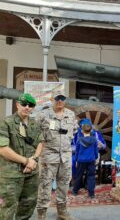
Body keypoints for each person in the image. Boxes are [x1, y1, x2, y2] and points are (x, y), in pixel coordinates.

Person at [0, 93, 44, 220]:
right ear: (17, 104)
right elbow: (3, 149)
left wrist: (34, 160)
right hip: (11, 175)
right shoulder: (6, 122)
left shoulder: (34, 124)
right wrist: (26, 161)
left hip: (31, 172)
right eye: (24, 104)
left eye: (30, 105)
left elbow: (40, 143)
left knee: (28, 204)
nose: (27, 107)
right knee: (7, 207)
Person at [36, 89, 77, 220]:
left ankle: (62, 211)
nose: (60, 101)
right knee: (45, 185)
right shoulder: (43, 115)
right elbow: (35, 134)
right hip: (48, 155)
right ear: (51, 99)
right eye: (57, 98)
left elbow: (74, 130)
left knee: (64, 184)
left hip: (65, 156)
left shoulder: (71, 115)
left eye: (62, 98)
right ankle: (41, 214)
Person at [71, 118, 106, 184]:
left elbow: (103, 145)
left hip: (89, 155)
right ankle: (76, 179)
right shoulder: (76, 134)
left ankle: (87, 181)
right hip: (80, 155)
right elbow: (71, 145)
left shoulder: (96, 133)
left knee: (90, 166)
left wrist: (100, 145)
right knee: (73, 161)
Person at [72, 118, 99, 198]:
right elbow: (96, 151)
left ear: (82, 131)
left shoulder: (79, 140)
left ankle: (75, 191)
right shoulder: (94, 140)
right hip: (91, 160)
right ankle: (91, 194)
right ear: (91, 130)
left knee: (79, 175)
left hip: (81, 160)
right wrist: (96, 157)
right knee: (91, 176)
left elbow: (77, 151)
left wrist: (76, 160)